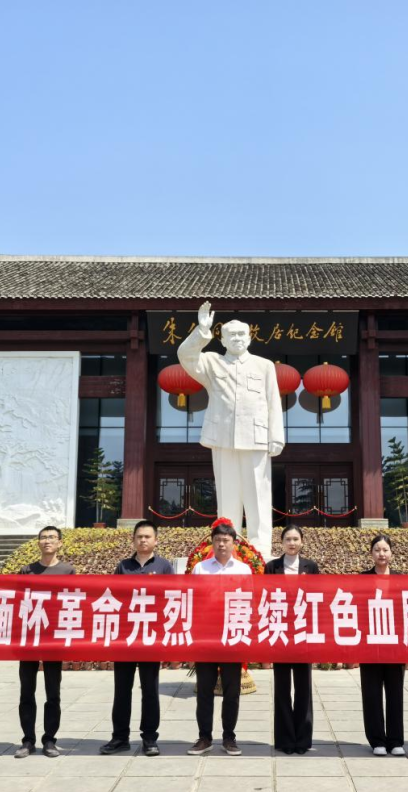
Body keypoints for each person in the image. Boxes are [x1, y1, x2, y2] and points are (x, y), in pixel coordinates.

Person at [178, 301, 284, 561]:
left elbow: (273, 401)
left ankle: (260, 550)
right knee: (227, 496)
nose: (237, 338)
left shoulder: (264, 365)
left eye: (241, 334)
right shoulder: (211, 363)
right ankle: (228, 548)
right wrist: (202, 331)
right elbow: (185, 356)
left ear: (249, 338)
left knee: (258, 497)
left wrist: (276, 437)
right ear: (222, 340)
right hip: (223, 438)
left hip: (257, 438)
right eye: (231, 335)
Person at [101, 520, 175, 757]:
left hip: (151, 637)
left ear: (156, 540)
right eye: (139, 537)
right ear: (133, 540)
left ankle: (150, 738)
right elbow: (113, 597)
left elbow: (171, 598)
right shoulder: (123, 566)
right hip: (126, 636)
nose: (143, 540)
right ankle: (120, 737)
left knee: (150, 690)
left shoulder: (164, 566)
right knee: (122, 689)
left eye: (147, 536)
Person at [188, 519, 252, 756]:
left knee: (231, 691)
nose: (222, 544)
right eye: (217, 540)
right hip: (206, 637)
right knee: (204, 690)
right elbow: (192, 599)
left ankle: (229, 737)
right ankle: (204, 737)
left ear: (234, 543)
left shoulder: (243, 570)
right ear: (211, 543)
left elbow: (250, 601)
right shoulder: (200, 569)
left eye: (226, 540)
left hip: (232, 636)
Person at [14, 526, 75, 759]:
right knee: (26, 691)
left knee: (53, 691)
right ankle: (28, 739)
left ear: (60, 543)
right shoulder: (27, 570)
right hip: (29, 637)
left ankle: (50, 739)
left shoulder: (67, 570)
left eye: (52, 537)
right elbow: (18, 601)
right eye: (43, 537)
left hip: (54, 637)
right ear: (38, 542)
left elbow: (73, 601)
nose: (47, 541)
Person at [264, 524, 321, 755]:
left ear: (302, 542)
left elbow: (318, 598)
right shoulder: (272, 567)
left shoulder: (311, 567)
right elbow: (265, 598)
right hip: (280, 632)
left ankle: (303, 739)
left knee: (303, 686)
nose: (292, 543)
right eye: (288, 539)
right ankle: (286, 739)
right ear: (281, 542)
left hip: (303, 633)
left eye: (296, 539)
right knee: (282, 687)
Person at [359, 533, 407, 756]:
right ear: (371, 553)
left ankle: (395, 740)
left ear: (392, 553)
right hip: (370, 644)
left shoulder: (401, 580)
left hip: (394, 645)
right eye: (377, 550)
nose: (381, 554)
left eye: (385, 550)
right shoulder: (362, 579)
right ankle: (377, 740)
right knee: (371, 693)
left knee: (395, 693)